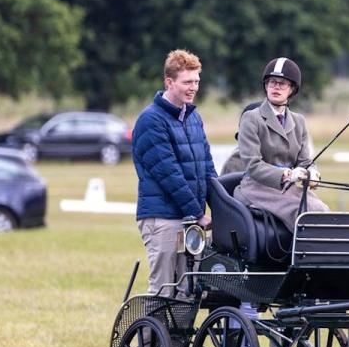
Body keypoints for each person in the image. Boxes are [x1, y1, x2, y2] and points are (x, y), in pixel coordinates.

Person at [132, 49, 217, 297]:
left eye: (197, 82)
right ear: (169, 82)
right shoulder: (151, 120)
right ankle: (151, 337)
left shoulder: (193, 118)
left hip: (190, 218)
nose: (193, 88)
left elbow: (207, 168)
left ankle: (177, 338)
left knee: (188, 289)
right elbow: (170, 175)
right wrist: (198, 213)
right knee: (163, 289)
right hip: (163, 217)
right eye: (187, 82)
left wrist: (223, 207)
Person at [232, 56, 329, 230]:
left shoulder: (299, 121)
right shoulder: (251, 118)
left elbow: (305, 162)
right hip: (257, 188)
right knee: (303, 212)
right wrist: (286, 174)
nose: (276, 87)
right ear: (266, 86)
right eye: (272, 82)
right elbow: (253, 165)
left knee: (322, 210)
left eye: (282, 83)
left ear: (291, 89)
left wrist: (313, 173)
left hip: (289, 189)